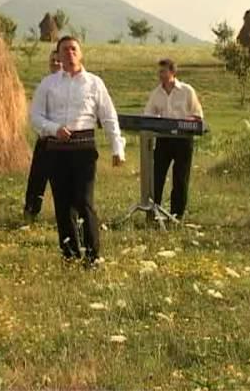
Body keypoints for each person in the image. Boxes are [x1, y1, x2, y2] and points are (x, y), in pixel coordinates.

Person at [30, 36, 125, 267]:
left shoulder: (94, 83)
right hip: (56, 149)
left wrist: (117, 148)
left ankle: (93, 256)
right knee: (63, 204)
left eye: (74, 49)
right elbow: (35, 117)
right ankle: (70, 255)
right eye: (65, 50)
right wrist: (53, 128)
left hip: (84, 150)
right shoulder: (48, 84)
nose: (70, 53)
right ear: (58, 55)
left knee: (84, 201)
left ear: (80, 53)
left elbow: (109, 117)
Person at [143, 58, 203, 220]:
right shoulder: (156, 93)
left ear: (172, 72)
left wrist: (186, 122)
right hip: (163, 139)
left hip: (183, 139)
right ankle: (154, 210)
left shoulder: (187, 90)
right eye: (159, 72)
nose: (160, 75)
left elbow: (197, 116)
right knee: (157, 175)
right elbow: (148, 116)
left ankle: (177, 214)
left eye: (163, 71)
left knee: (180, 177)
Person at [23, 50, 62, 221]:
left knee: (61, 181)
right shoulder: (44, 85)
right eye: (52, 60)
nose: (55, 63)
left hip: (62, 141)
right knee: (37, 179)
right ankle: (31, 210)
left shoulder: (69, 88)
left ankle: (64, 213)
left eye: (58, 60)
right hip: (44, 139)